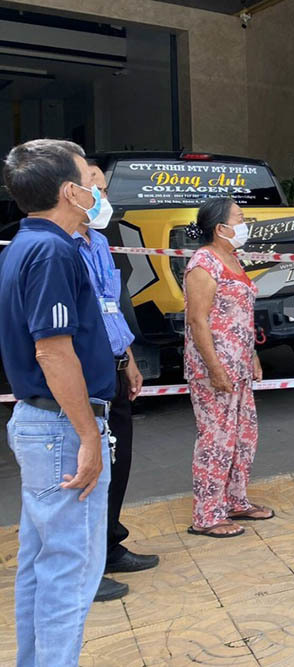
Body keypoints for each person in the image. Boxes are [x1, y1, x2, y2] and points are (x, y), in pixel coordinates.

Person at [0, 139, 115, 666]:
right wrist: (89, 433)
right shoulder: (51, 250)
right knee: (70, 570)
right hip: (60, 427)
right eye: (89, 180)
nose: (98, 188)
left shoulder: (25, 243)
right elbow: (53, 350)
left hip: (43, 424)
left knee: (42, 564)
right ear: (71, 192)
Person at [75, 163, 159, 603]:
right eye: (97, 188)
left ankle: (109, 544)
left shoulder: (101, 242)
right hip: (82, 369)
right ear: (71, 191)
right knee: (85, 466)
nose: (104, 198)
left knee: (117, 457)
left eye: (105, 189)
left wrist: (128, 359)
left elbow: (112, 306)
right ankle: (82, 566)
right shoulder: (62, 247)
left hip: (112, 361)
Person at [183, 197, 271, 538]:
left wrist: (252, 355)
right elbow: (198, 320)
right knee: (216, 441)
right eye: (240, 218)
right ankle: (207, 515)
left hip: (239, 366)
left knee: (243, 438)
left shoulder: (232, 258)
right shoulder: (203, 262)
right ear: (220, 227)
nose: (245, 223)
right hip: (213, 369)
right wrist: (216, 369)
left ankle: (235, 501)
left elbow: (238, 316)